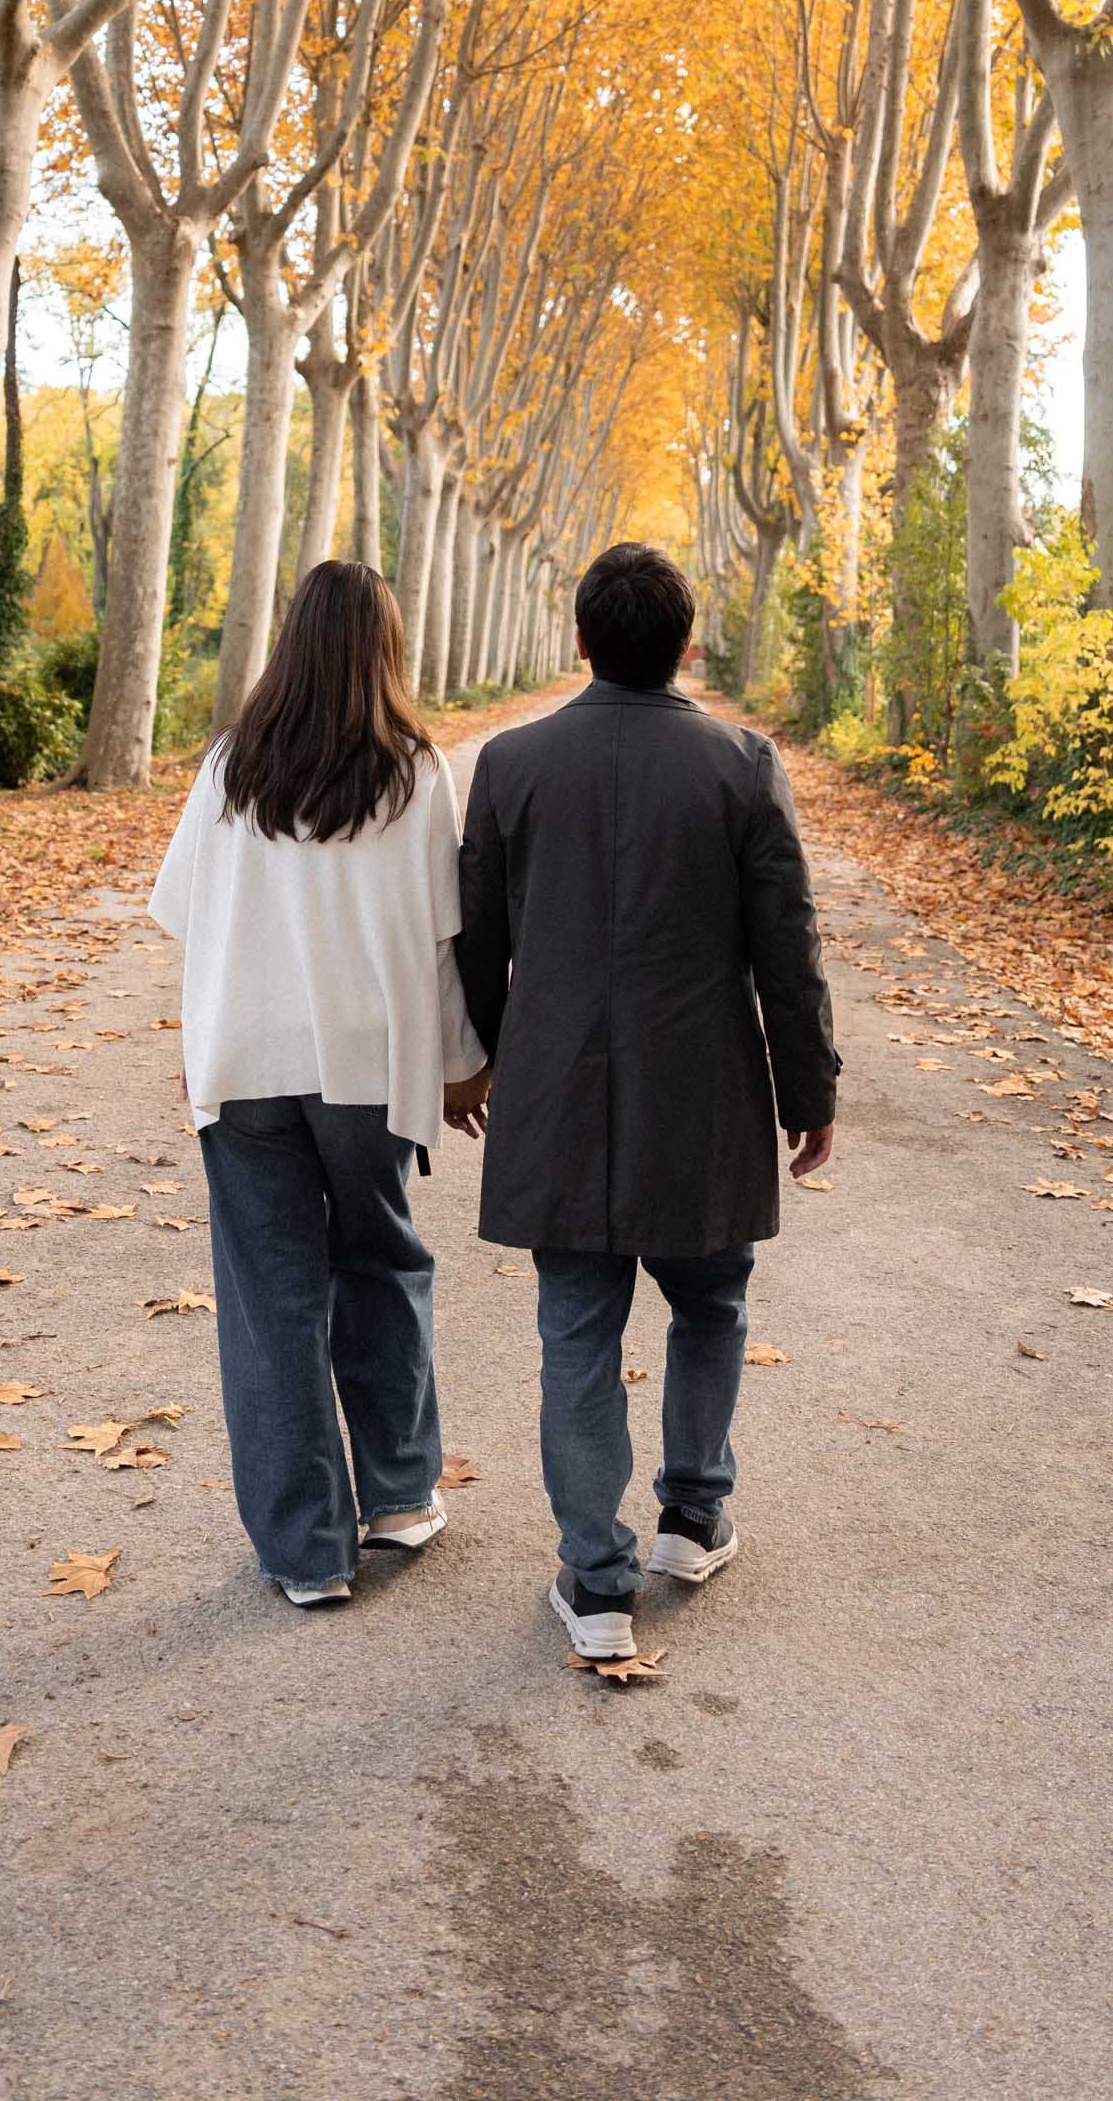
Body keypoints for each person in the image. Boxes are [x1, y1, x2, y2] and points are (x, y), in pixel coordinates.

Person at [454, 541, 840, 1661]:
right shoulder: (740, 763)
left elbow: (476, 936)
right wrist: (808, 1088)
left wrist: (471, 1061)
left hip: (557, 1094)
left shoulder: (511, 763)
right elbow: (788, 947)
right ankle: (691, 1515)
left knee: (574, 1332)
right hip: (702, 1100)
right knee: (709, 1306)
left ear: (580, 642)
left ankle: (595, 1582)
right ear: (686, 644)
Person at [147, 560, 487, 1609]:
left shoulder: (228, 769)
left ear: (287, 640)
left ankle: (305, 1555)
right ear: (384, 648)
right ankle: (397, 1494)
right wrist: (464, 1067)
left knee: (270, 1298)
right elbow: (441, 940)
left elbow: (179, 914)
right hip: (363, 1063)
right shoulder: (411, 772)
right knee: (380, 1259)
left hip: (243, 1059)